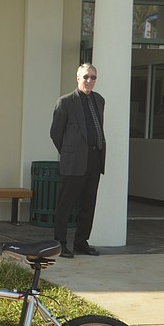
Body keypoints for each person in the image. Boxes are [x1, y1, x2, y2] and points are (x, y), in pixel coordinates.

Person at [49, 63, 106, 258]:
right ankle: (60, 243)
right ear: (77, 78)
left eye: (93, 77)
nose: (89, 81)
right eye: (86, 77)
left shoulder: (99, 100)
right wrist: (68, 153)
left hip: (95, 159)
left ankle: (81, 242)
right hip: (73, 161)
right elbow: (56, 133)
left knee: (88, 204)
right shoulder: (65, 102)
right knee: (65, 205)